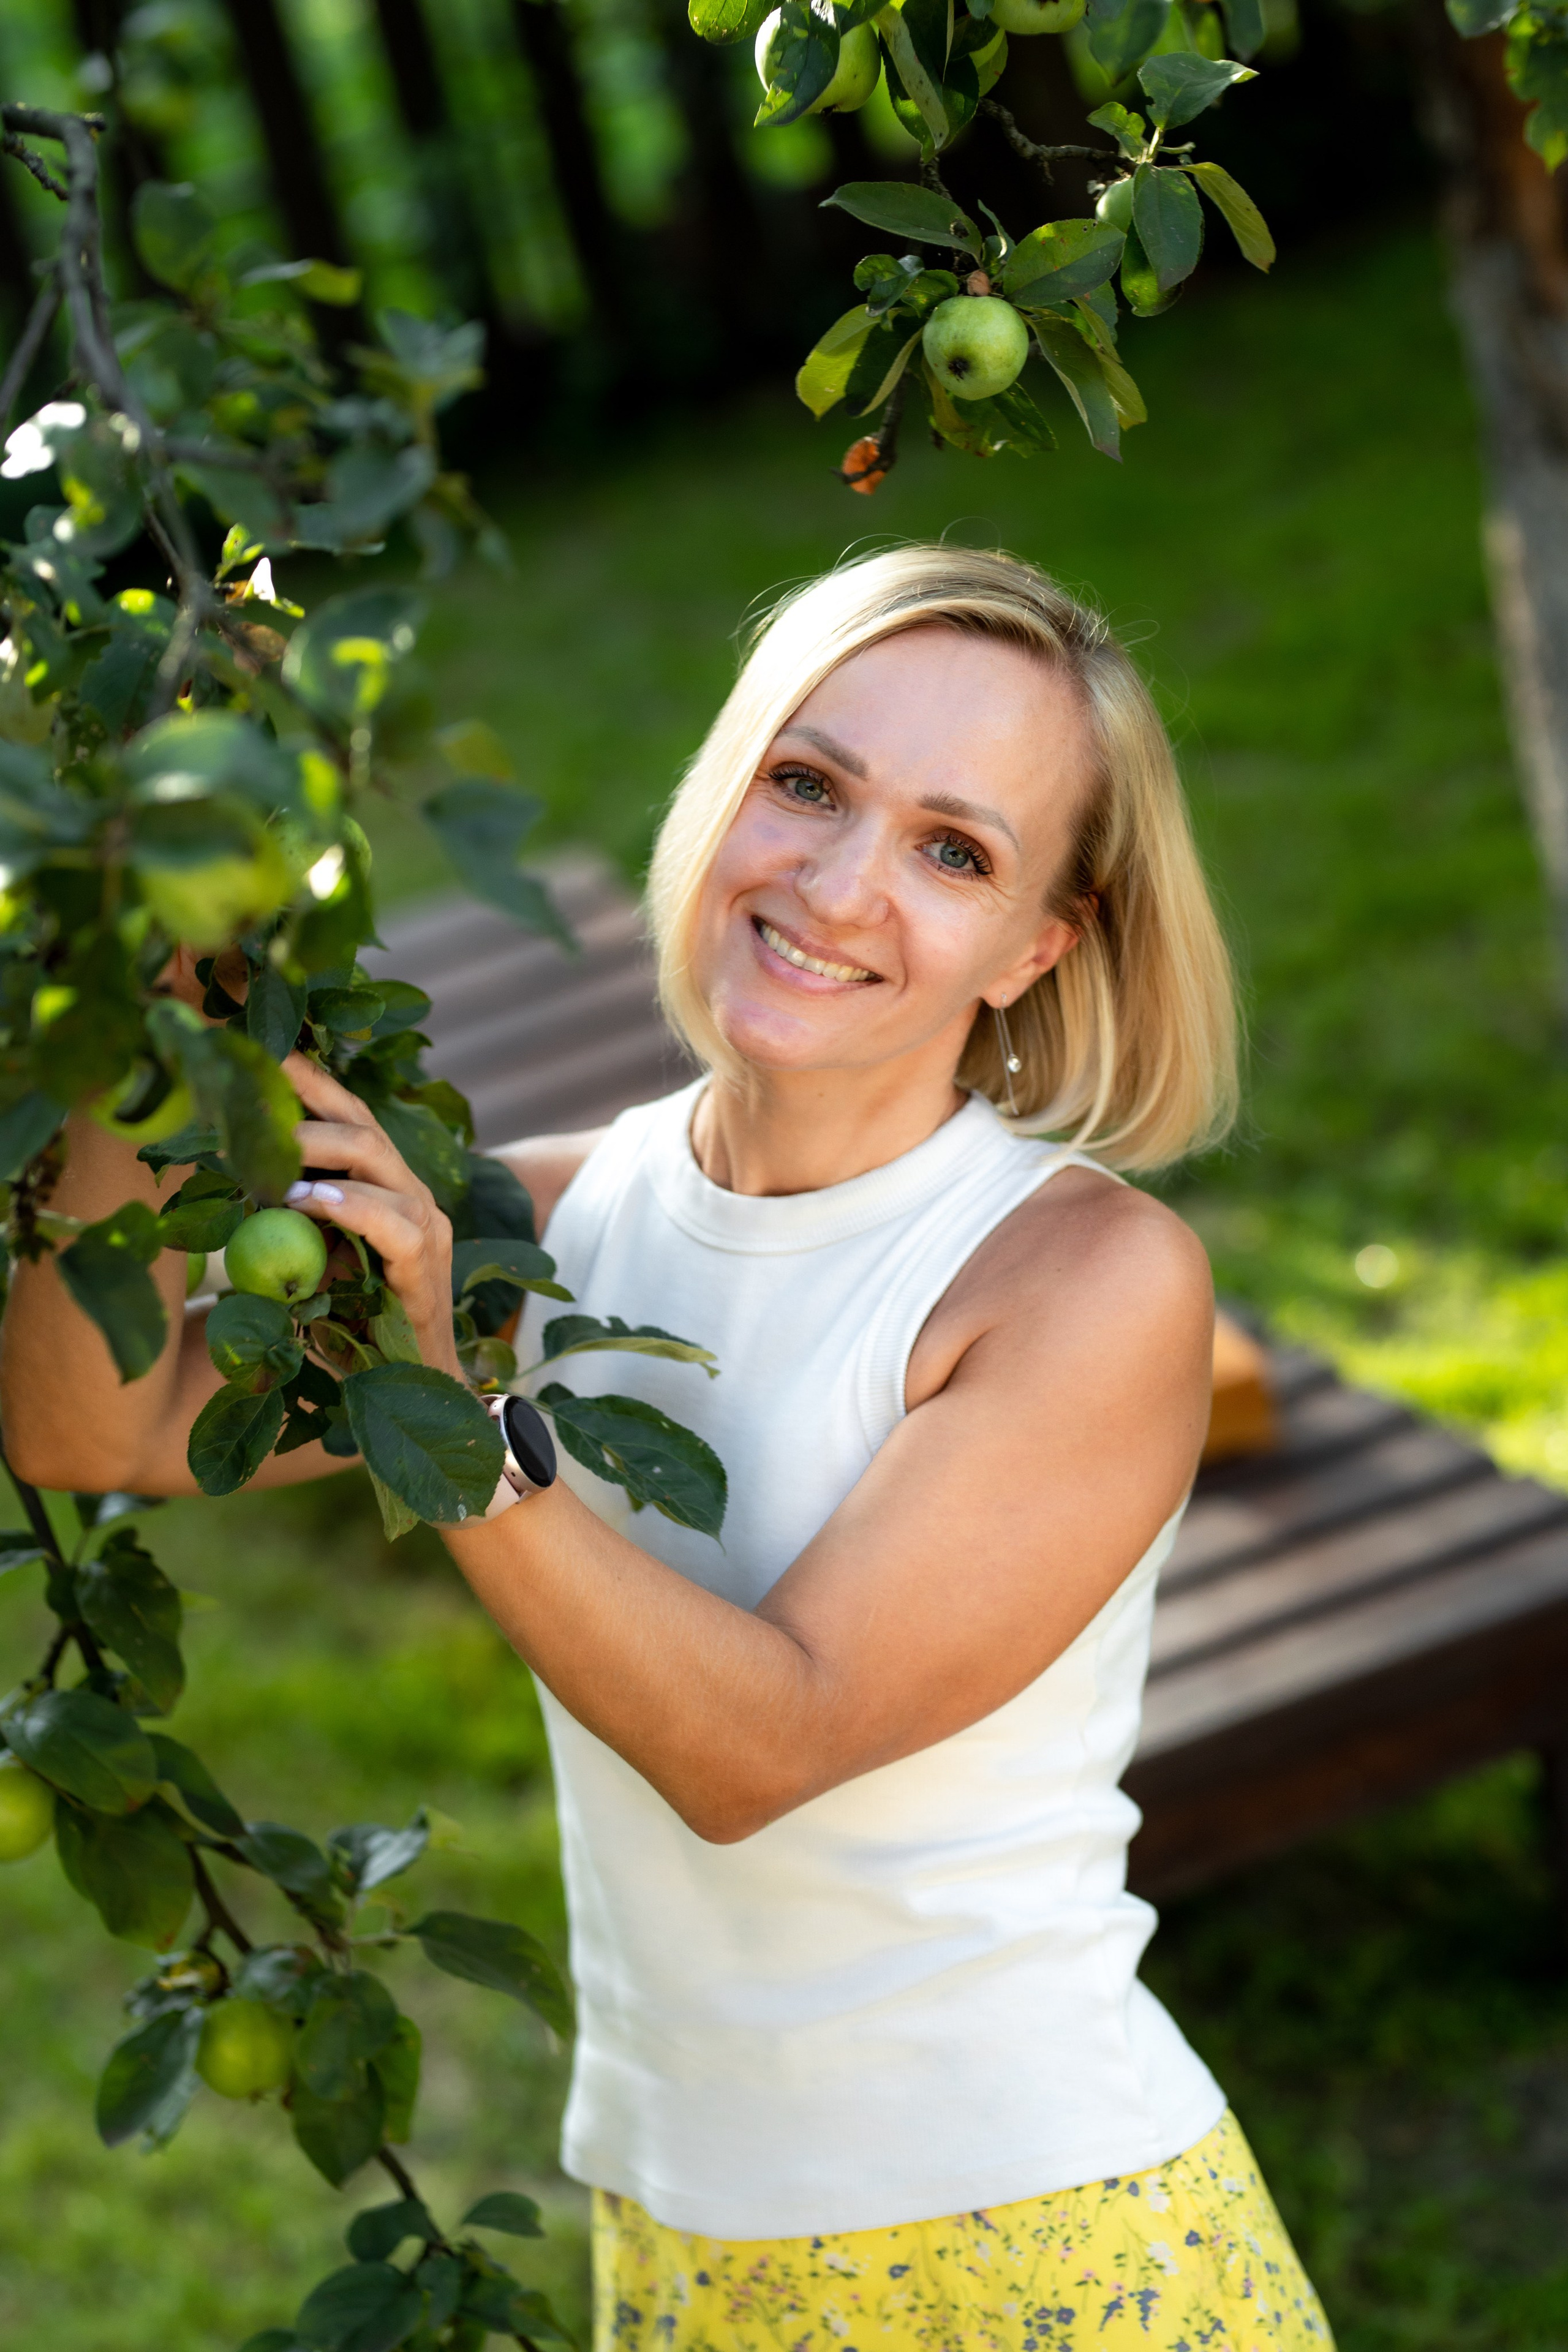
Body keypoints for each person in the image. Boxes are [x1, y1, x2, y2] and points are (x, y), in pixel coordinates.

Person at [1, 546, 1333, 2351]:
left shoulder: (1082, 1279)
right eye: (811, 783)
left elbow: (755, 1747)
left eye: (956, 851)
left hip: (1030, 2231)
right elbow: (104, 1425)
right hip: (681, 2219)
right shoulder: (569, 1213)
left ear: (1041, 943)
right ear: (728, 788)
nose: (843, 883)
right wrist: (131, 991)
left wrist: (446, 1414)